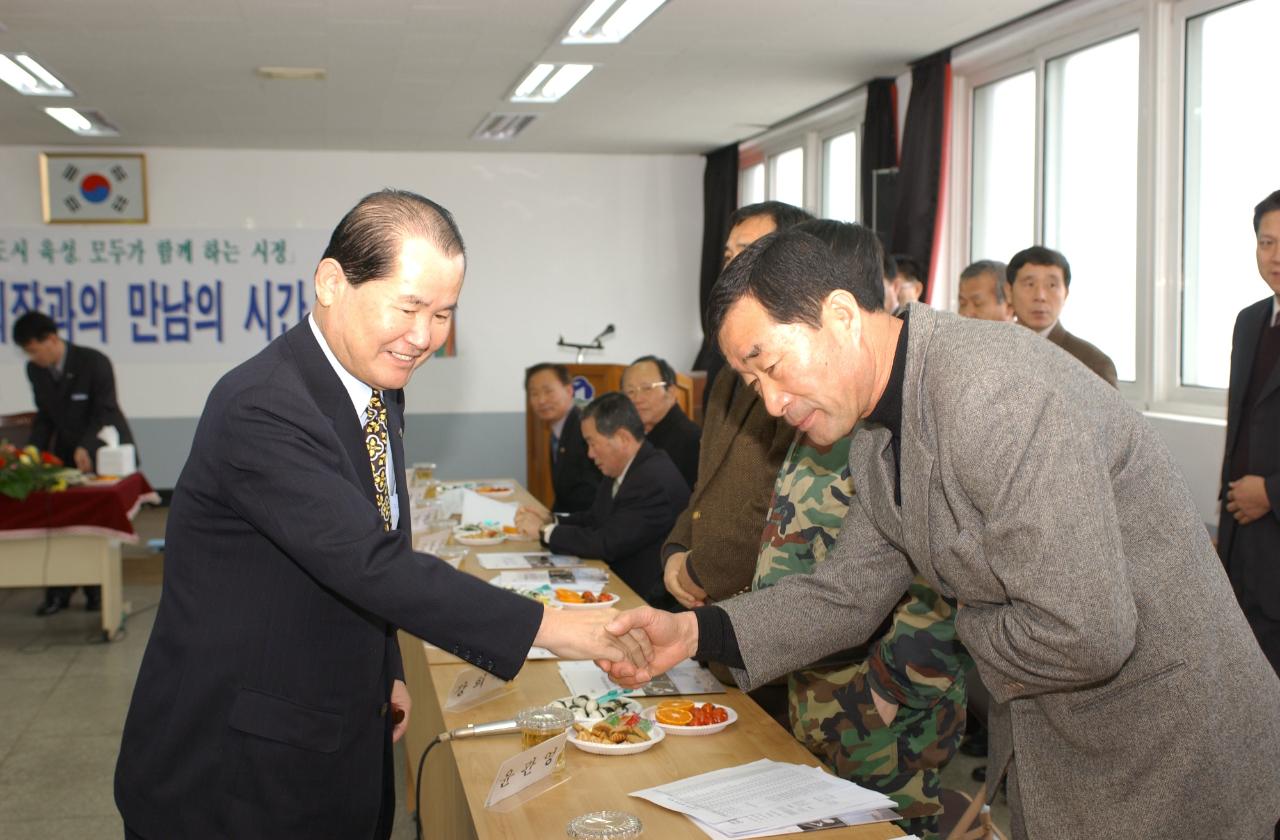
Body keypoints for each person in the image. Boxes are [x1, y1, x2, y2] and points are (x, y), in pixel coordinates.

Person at [603, 228, 1280, 840]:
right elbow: (846, 594)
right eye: (752, 383)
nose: (772, 402)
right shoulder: (878, 436)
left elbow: (1086, 632)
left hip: (1171, 736)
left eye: (771, 366)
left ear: (840, 316)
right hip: (1073, 730)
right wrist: (697, 633)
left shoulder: (993, 392)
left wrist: (966, 621)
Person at [114, 190, 644, 840]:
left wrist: (385, 669)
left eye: (444, 314)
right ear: (332, 282)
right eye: (409, 307)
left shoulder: (373, 391)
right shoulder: (264, 406)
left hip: (334, 724)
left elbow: (362, 537)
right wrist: (559, 628)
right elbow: (369, 562)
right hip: (239, 765)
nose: (423, 337)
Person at [751, 220, 969, 840]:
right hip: (817, 683)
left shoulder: (901, 415)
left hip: (885, 703)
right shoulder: (822, 406)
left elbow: (940, 584)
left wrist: (887, 693)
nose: (770, 395)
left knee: (892, 826)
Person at [663, 201, 811, 614]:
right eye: (728, 256)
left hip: (767, 612)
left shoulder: (800, 378)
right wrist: (676, 549)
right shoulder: (728, 371)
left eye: (748, 253)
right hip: (709, 603)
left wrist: (702, 571)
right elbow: (706, 483)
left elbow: (774, 501)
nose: (731, 268)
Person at [13, 310, 136, 616]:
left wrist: (87, 446)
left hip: (104, 447)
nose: (32, 357)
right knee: (59, 520)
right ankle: (59, 592)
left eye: (33, 349)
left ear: (52, 339)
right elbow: (45, 418)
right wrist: (31, 455)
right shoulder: (36, 371)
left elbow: (105, 410)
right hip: (67, 455)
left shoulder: (93, 361)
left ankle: (97, 592)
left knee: (92, 524)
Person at [516, 392, 689, 606]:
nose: (589, 454)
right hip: (616, 581)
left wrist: (545, 533)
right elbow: (596, 517)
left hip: (644, 599)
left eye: (592, 443)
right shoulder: (623, 466)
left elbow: (606, 542)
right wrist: (551, 520)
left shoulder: (653, 479)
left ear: (622, 438)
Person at [1219, 189, 1280, 676]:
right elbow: (1239, 431)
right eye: (1266, 242)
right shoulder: (1249, 320)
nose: (1276, 256)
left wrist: (1272, 493)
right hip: (1244, 542)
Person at [1006, 246, 1118, 387]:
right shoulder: (992, 352)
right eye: (1030, 284)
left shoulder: (1093, 363)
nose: (1040, 296)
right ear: (1009, 292)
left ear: (1065, 294)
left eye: (1052, 285)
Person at [526, 362, 601, 513]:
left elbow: (591, 494)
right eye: (534, 394)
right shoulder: (558, 428)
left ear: (569, 390)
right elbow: (564, 496)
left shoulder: (584, 427)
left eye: (548, 391)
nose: (541, 400)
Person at [622, 354, 700, 489]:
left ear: (671, 392)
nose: (637, 399)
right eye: (630, 391)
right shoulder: (633, 436)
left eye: (647, 388)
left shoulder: (692, 440)